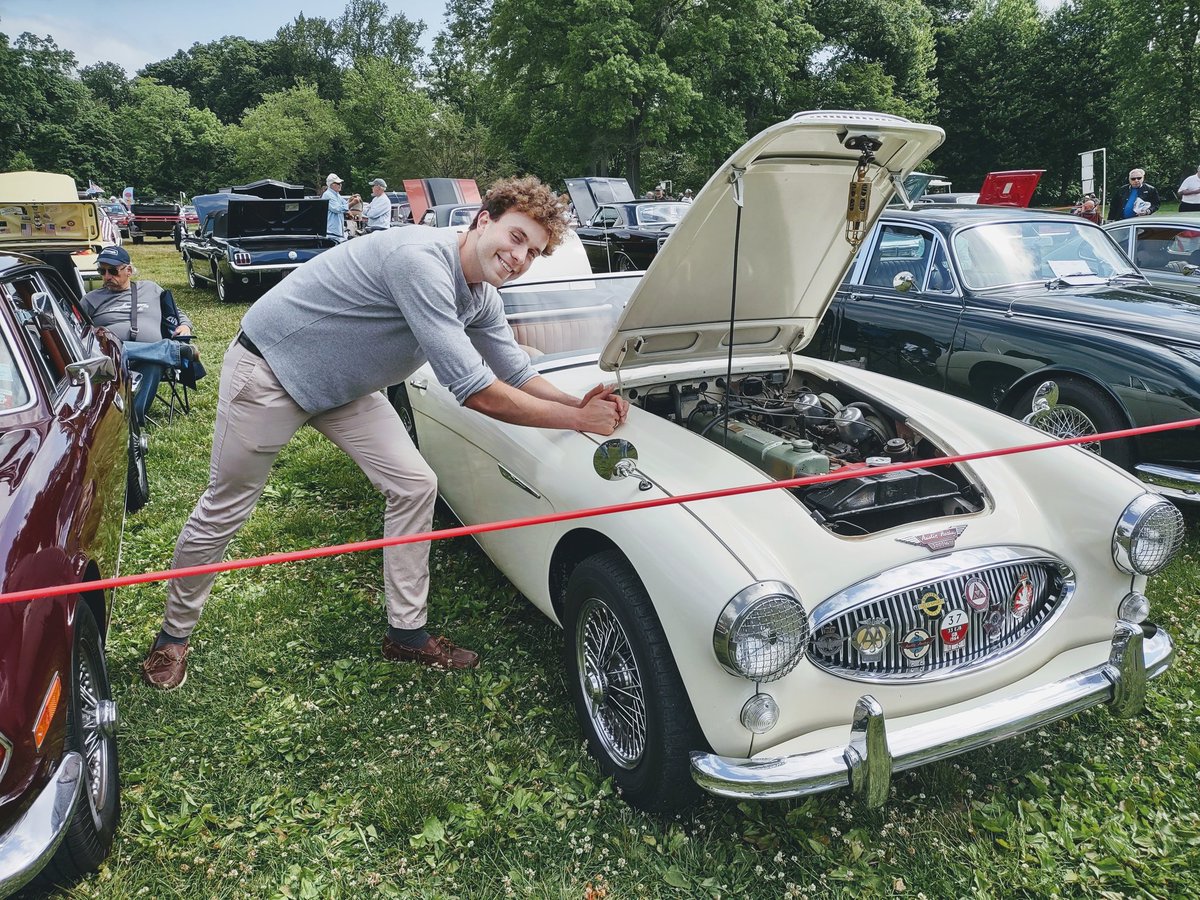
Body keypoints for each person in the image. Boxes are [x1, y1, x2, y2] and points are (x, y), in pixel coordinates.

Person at [140, 176, 629, 690]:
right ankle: (172, 638)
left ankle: (406, 633)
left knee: (415, 484)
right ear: (483, 220)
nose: (519, 257)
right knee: (226, 505)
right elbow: (476, 390)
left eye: (532, 252)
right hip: (271, 372)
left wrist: (578, 403)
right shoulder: (421, 261)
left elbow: (514, 371)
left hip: (347, 388)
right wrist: (576, 421)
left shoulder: (481, 297)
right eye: (515, 237)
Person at [82, 246, 199, 425]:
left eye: (112, 271)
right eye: (102, 271)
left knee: (153, 363)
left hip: (149, 361)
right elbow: (78, 331)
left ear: (128, 270)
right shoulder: (90, 299)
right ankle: (171, 351)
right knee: (117, 346)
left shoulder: (150, 289)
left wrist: (185, 325)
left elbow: (177, 313)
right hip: (111, 359)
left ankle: (131, 420)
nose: (106, 276)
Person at [322, 173, 350, 242]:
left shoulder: (337, 195)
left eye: (340, 183)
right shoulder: (328, 195)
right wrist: (352, 203)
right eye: (338, 183)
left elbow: (345, 203)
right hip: (331, 232)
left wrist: (352, 199)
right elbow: (337, 209)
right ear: (332, 184)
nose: (340, 185)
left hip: (337, 232)